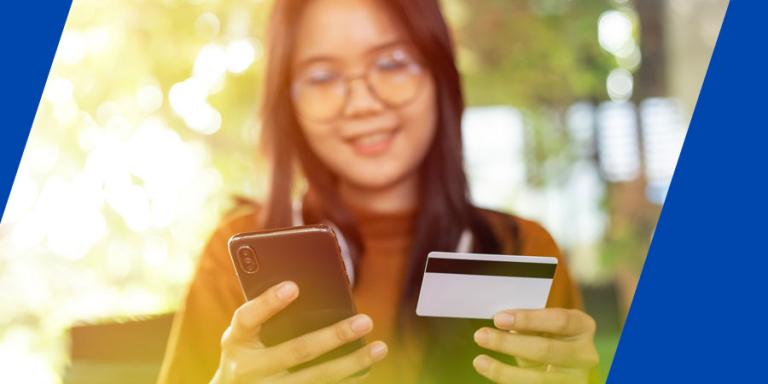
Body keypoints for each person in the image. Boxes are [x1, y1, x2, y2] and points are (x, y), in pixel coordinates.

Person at [157, 0, 599, 382]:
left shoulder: (521, 250)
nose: (363, 102)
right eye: (322, 77)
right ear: (288, 102)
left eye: (391, 64)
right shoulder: (234, 260)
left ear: (439, 75)